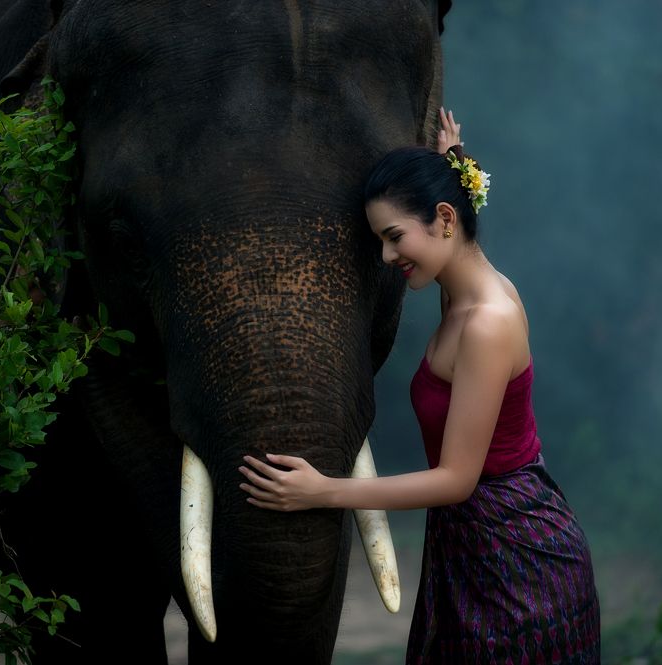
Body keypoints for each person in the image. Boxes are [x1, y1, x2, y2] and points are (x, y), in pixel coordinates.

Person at [238, 108, 601, 663]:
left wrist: (323, 492)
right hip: (469, 546)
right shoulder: (458, 289)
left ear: (446, 219)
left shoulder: (487, 321)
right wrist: (450, 157)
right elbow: (450, 231)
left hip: (519, 560)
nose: (387, 256)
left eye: (393, 237)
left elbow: (456, 480)